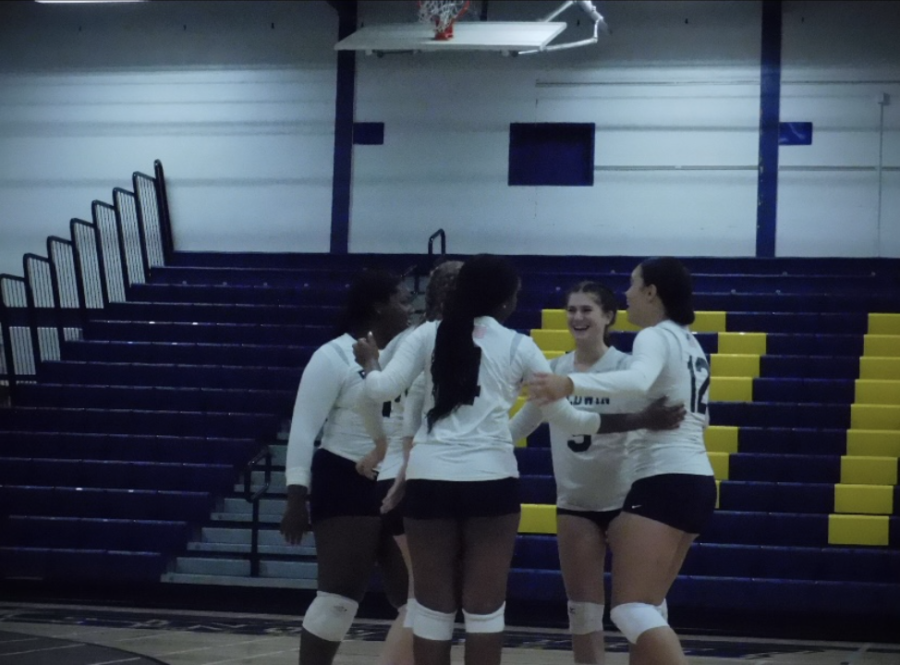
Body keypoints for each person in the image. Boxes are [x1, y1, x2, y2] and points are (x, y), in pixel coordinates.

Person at [353, 255, 683, 665]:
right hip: (492, 480)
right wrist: (640, 418)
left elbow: (381, 390)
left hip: (430, 477)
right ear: (507, 301)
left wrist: (369, 362)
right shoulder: (521, 345)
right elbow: (568, 418)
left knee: (432, 608)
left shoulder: (428, 335)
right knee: (485, 610)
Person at [528, 257, 718, 665]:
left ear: (652, 292)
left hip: (663, 479)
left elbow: (636, 381)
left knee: (630, 609)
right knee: (647, 603)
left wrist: (570, 383)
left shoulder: (654, 337)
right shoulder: (690, 343)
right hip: (697, 478)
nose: (628, 293)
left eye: (633, 285)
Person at [509, 281, 676, 665]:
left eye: (587, 310)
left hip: (628, 504)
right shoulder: (553, 371)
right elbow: (517, 429)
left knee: (641, 608)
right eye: (572, 310)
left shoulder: (629, 369)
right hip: (575, 504)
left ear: (608, 317)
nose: (578, 318)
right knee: (582, 611)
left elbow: (659, 421)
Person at [279, 269, 414, 665]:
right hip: (343, 480)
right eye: (402, 300)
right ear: (377, 306)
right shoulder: (333, 355)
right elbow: (304, 430)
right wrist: (295, 497)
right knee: (338, 601)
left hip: (395, 482)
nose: (409, 308)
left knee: (419, 602)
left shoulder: (410, 356)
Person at [371, 259, 464, 659]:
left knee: (425, 599)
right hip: (411, 476)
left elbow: (372, 396)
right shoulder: (440, 339)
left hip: (397, 470)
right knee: (421, 601)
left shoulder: (406, 338)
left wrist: (378, 446)